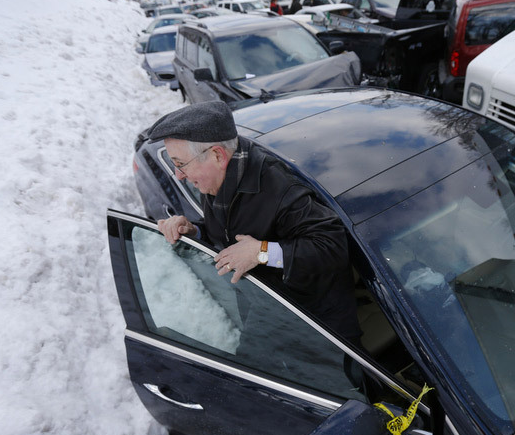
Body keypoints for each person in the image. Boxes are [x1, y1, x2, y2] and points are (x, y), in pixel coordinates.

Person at [150, 101, 362, 344]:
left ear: (218, 155)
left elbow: (332, 247)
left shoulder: (280, 187)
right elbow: (233, 236)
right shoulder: (216, 179)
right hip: (267, 314)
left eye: (180, 164)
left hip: (319, 332)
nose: (178, 175)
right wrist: (195, 230)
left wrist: (261, 252)